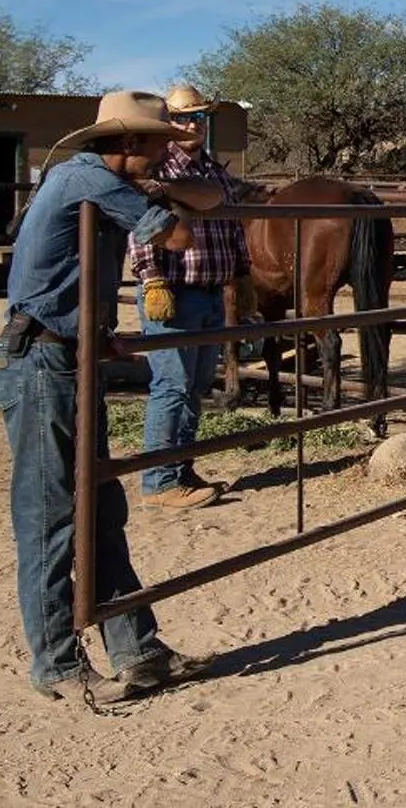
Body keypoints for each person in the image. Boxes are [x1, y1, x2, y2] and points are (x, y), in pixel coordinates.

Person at [0, 90, 221, 705]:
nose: (162, 157)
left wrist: (95, 333)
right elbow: (178, 235)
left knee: (98, 506)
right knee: (52, 515)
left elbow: (204, 202)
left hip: (63, 352)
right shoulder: (87, 180)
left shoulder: (90, 180)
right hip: (41, 360)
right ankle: (58, 664)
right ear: (129, 145)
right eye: (155, 146)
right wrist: (171, 196)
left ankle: (138, 649)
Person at [125, 83, 253, 511]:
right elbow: (143, 229)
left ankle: (181, 468)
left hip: (211, 291)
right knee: (173, 385)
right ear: (168, 124)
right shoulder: (157, 171)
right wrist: (151, 278)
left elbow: (231, 228)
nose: (192, 124)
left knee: (195, 385)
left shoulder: (215, 173)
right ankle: (159, 480)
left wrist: (242, 275)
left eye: (198, 117)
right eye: (182, 118)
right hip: (175, 291)